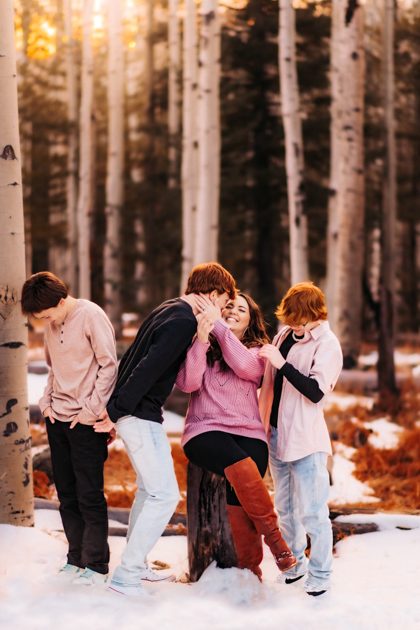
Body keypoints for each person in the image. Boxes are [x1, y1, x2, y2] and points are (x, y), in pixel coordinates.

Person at [93, 262, 236, 596]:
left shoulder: (169, 309)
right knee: (165, 495)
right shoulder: (182, 321)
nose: (225, 311)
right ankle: (126, 575)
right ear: (213, 295)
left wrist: (117, 410)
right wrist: (116, 412)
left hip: (137, 413)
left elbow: (129, 359)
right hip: (139, 414)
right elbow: (144, 368)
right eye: (225, 303)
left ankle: (136, 565)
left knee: (148, 490)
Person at [175, 293, 297, 581]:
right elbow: (188, 382)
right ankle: (277, 543)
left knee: (242, 495)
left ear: (250, 320)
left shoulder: (259, 352)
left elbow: (245, 368)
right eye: (228, 306)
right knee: (241, 468)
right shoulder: (201, 344)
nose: (232, 311)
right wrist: (203, 339)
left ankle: (250, 573)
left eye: (241, 309)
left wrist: (218, 326)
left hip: (249, 433)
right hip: (204, 431)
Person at [21, 272, 118, 586]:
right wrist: (46, 403)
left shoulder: (91, 315)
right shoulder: (51, 322)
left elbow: (108, 365)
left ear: (61, 301)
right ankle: (75, 559)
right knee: (66, 494)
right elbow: (53, 369)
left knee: (89, 494)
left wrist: (91, 411)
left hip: (86, 423)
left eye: (47, 314)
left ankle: (97, 566)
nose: (45, 321)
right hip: (57, 419)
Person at [258, 281, 343, 596]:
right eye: (289, 319)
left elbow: (315, 392)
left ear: (315, 316)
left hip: (306, 439)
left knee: (313, 511)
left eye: (299, 321)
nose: (293, 325)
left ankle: (321, 573)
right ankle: (295, 566)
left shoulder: (328, 344)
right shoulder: (283, 335)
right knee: (285, 506)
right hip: (277, 433)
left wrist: (284, 365)